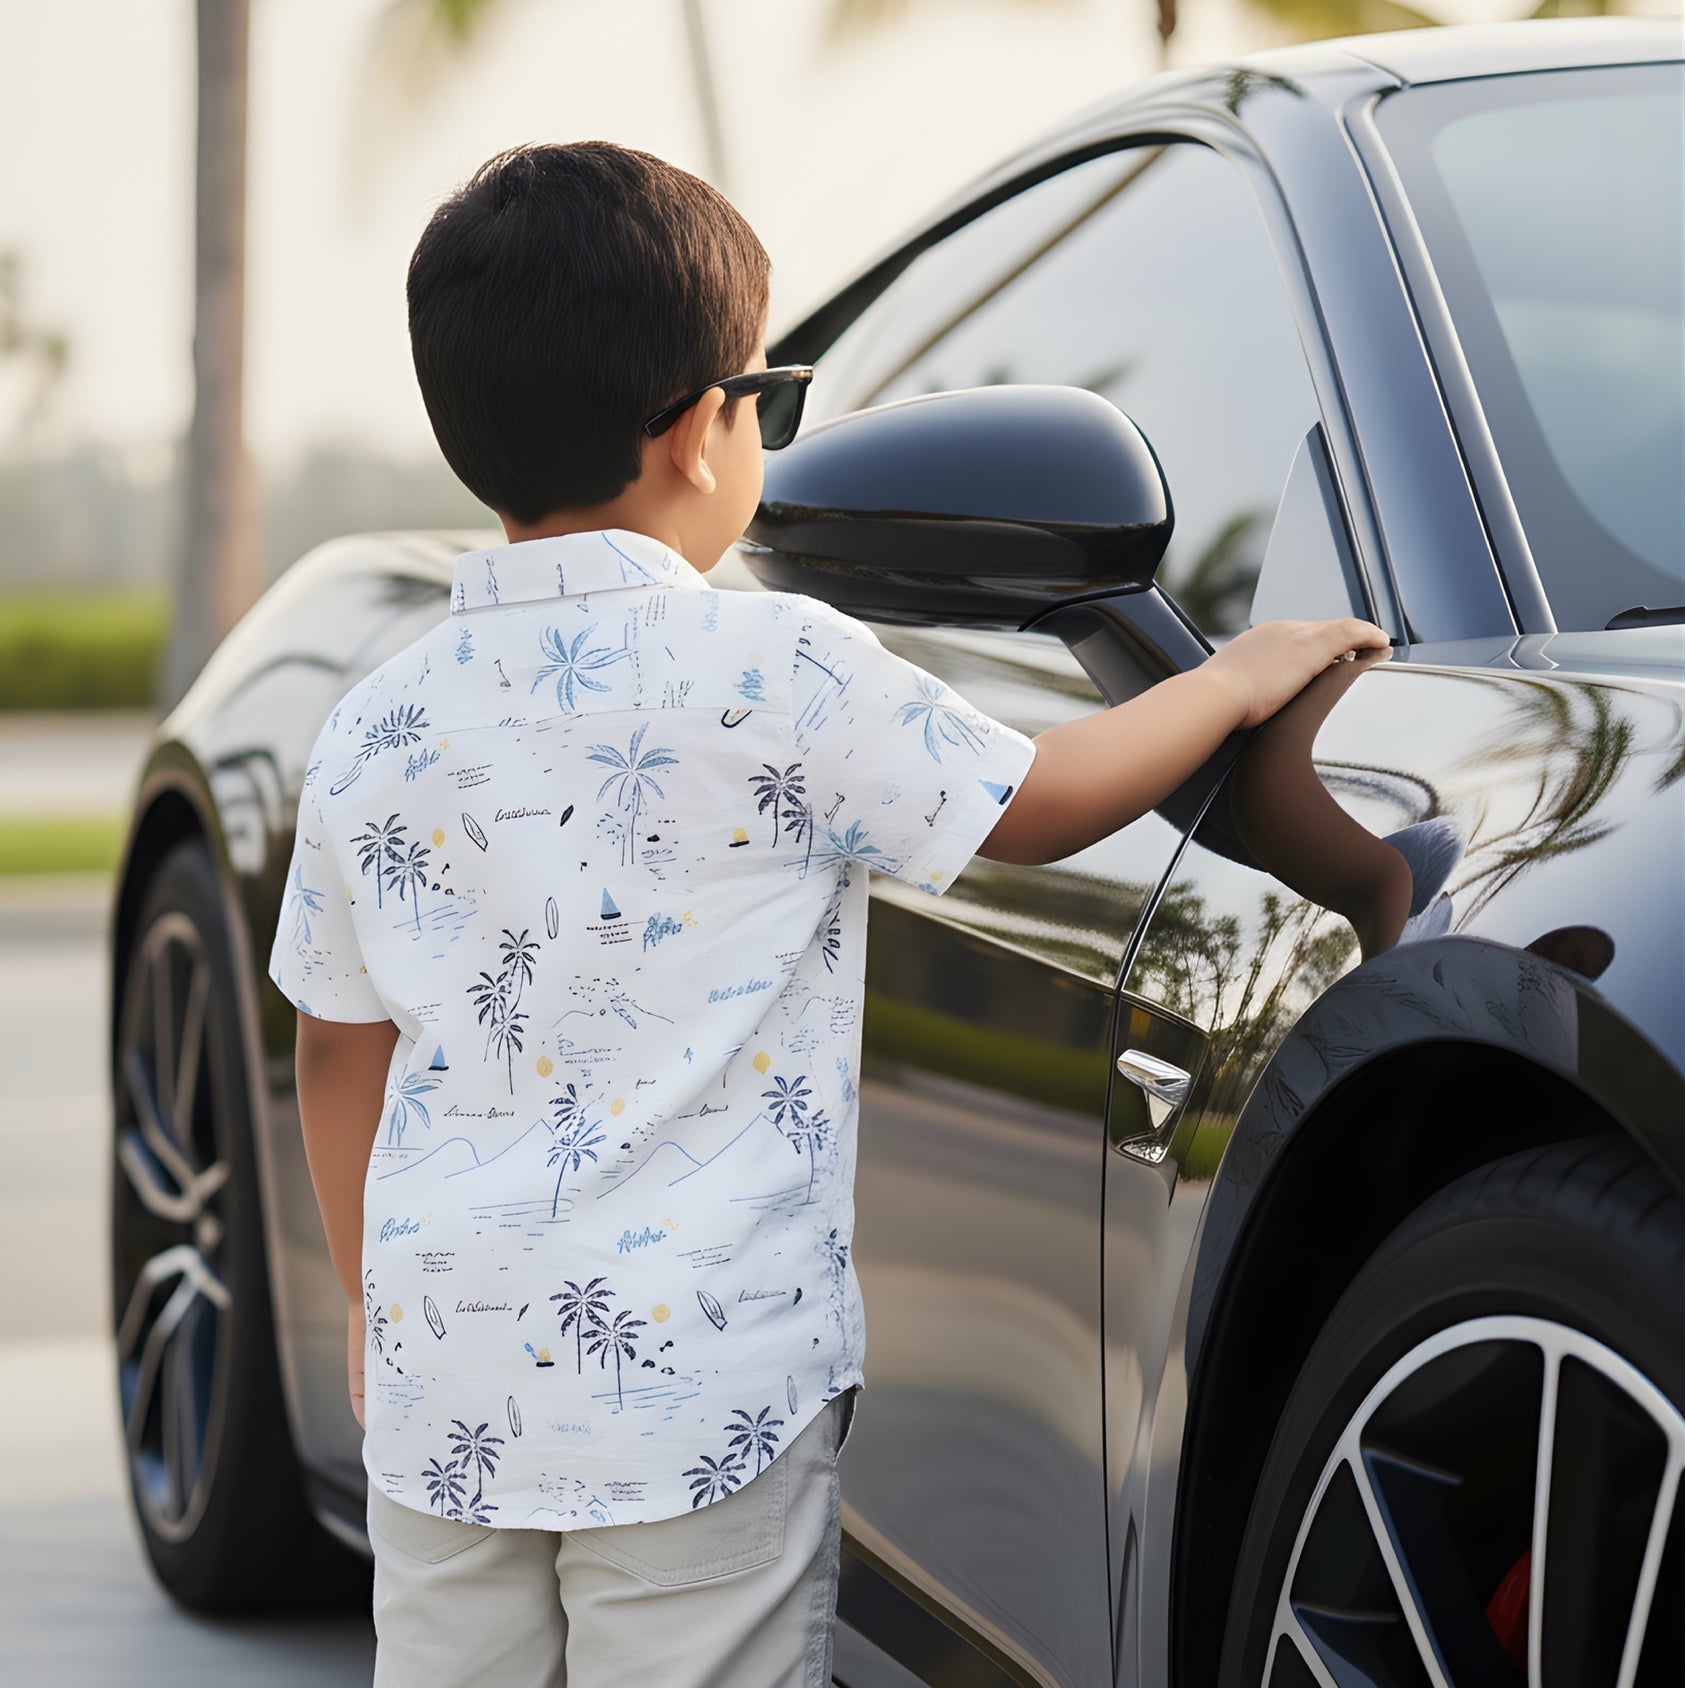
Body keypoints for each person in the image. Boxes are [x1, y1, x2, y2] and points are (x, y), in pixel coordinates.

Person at [267, 139, 1389, 1688]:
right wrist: (1235, 678)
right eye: (767, 402)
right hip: (702, 1398)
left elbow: (338, 1051)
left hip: (445, 1377)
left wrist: (368, 1302)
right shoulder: (780, 673)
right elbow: (1033, 799)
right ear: (692, 434)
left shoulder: (374, 725)